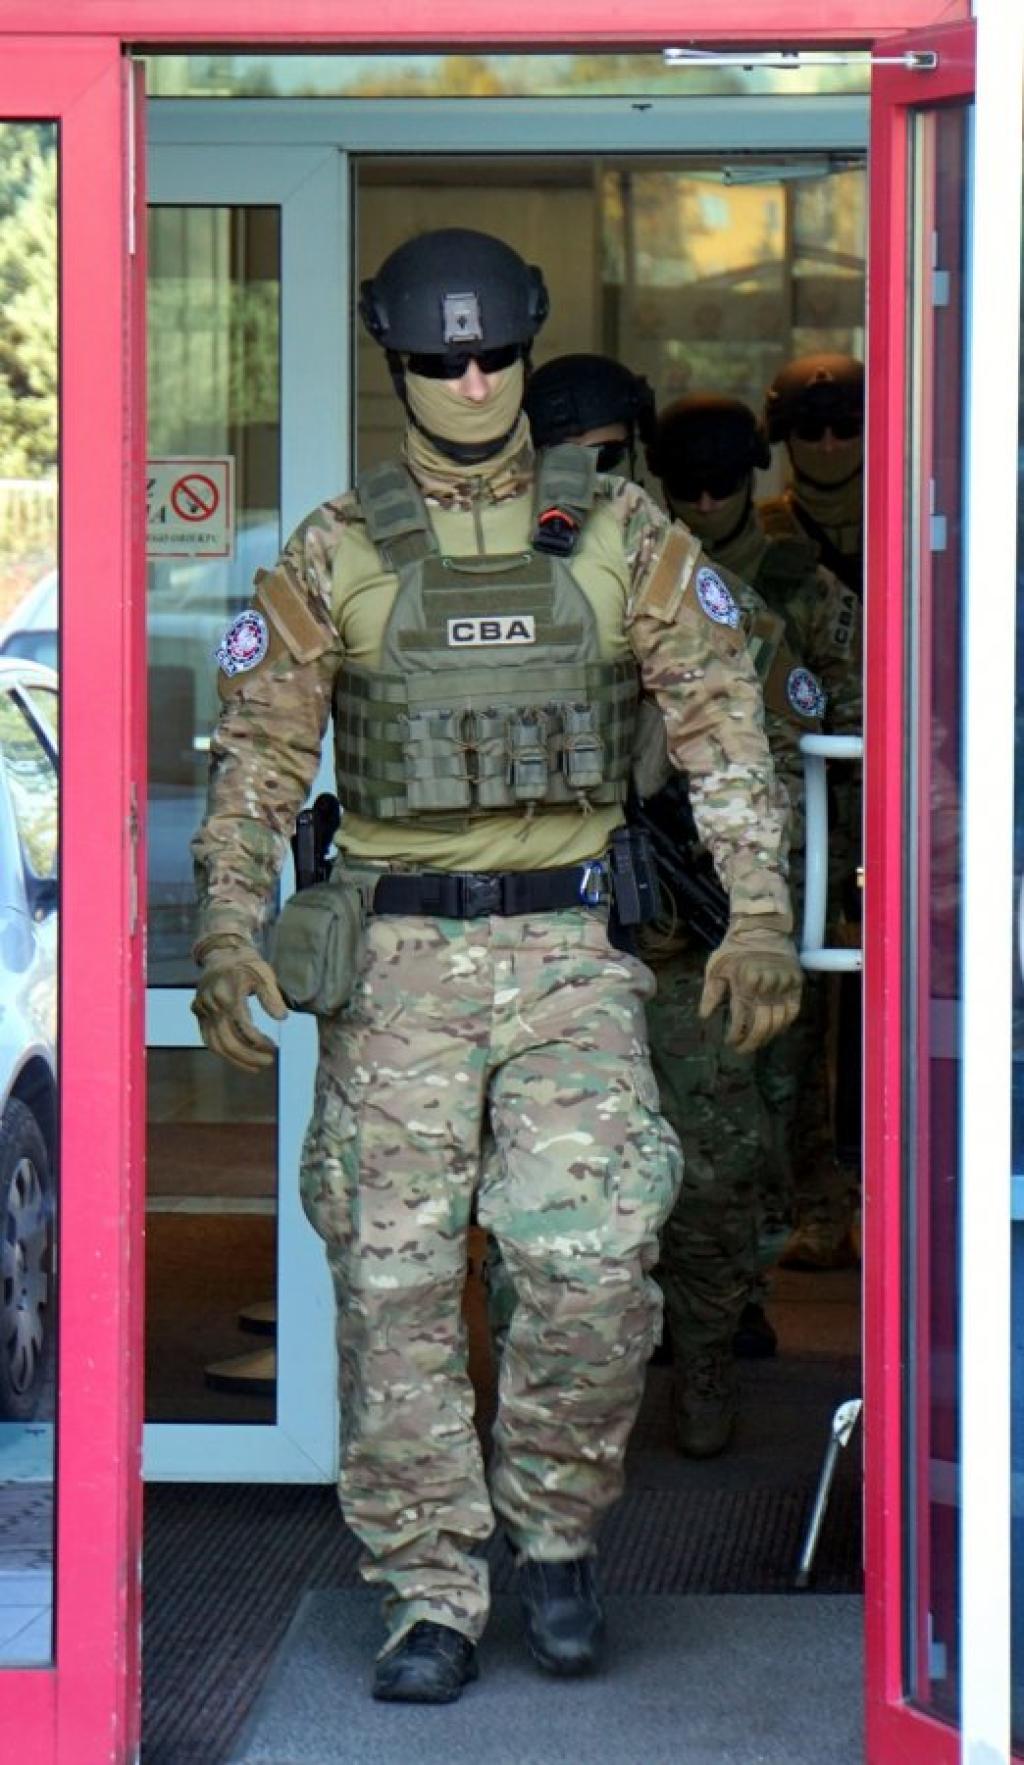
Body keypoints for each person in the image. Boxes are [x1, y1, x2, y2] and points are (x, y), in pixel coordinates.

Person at [190, 231, 802, 1704]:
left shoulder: (622, 534)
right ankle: (429, 1587)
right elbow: (258, 761)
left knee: (589, 1265)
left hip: (569, 954)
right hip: (396, 960)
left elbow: (722, 725)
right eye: (438, 359)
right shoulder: (336, 550)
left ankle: (558, 1533)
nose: (470, 382)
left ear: (524, 350)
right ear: (396, 365)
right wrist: (222, 926)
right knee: (394, 1284)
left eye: (493, 355)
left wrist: (761, 915)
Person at [650, 393, 863, 1337]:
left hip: (774, 871)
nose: (703, 504)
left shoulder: (794, 584)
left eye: (720, 486)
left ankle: (739, 1293)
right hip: (659, 876)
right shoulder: (640, 572)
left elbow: (852, 727)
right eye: (686, 487)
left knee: (774, 1087)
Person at [759, 353, 865, 600]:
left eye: (845, 429)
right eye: (810, 431)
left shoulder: (903, 526)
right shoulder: (760, 533)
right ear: (785, 437)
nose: (829, 446)